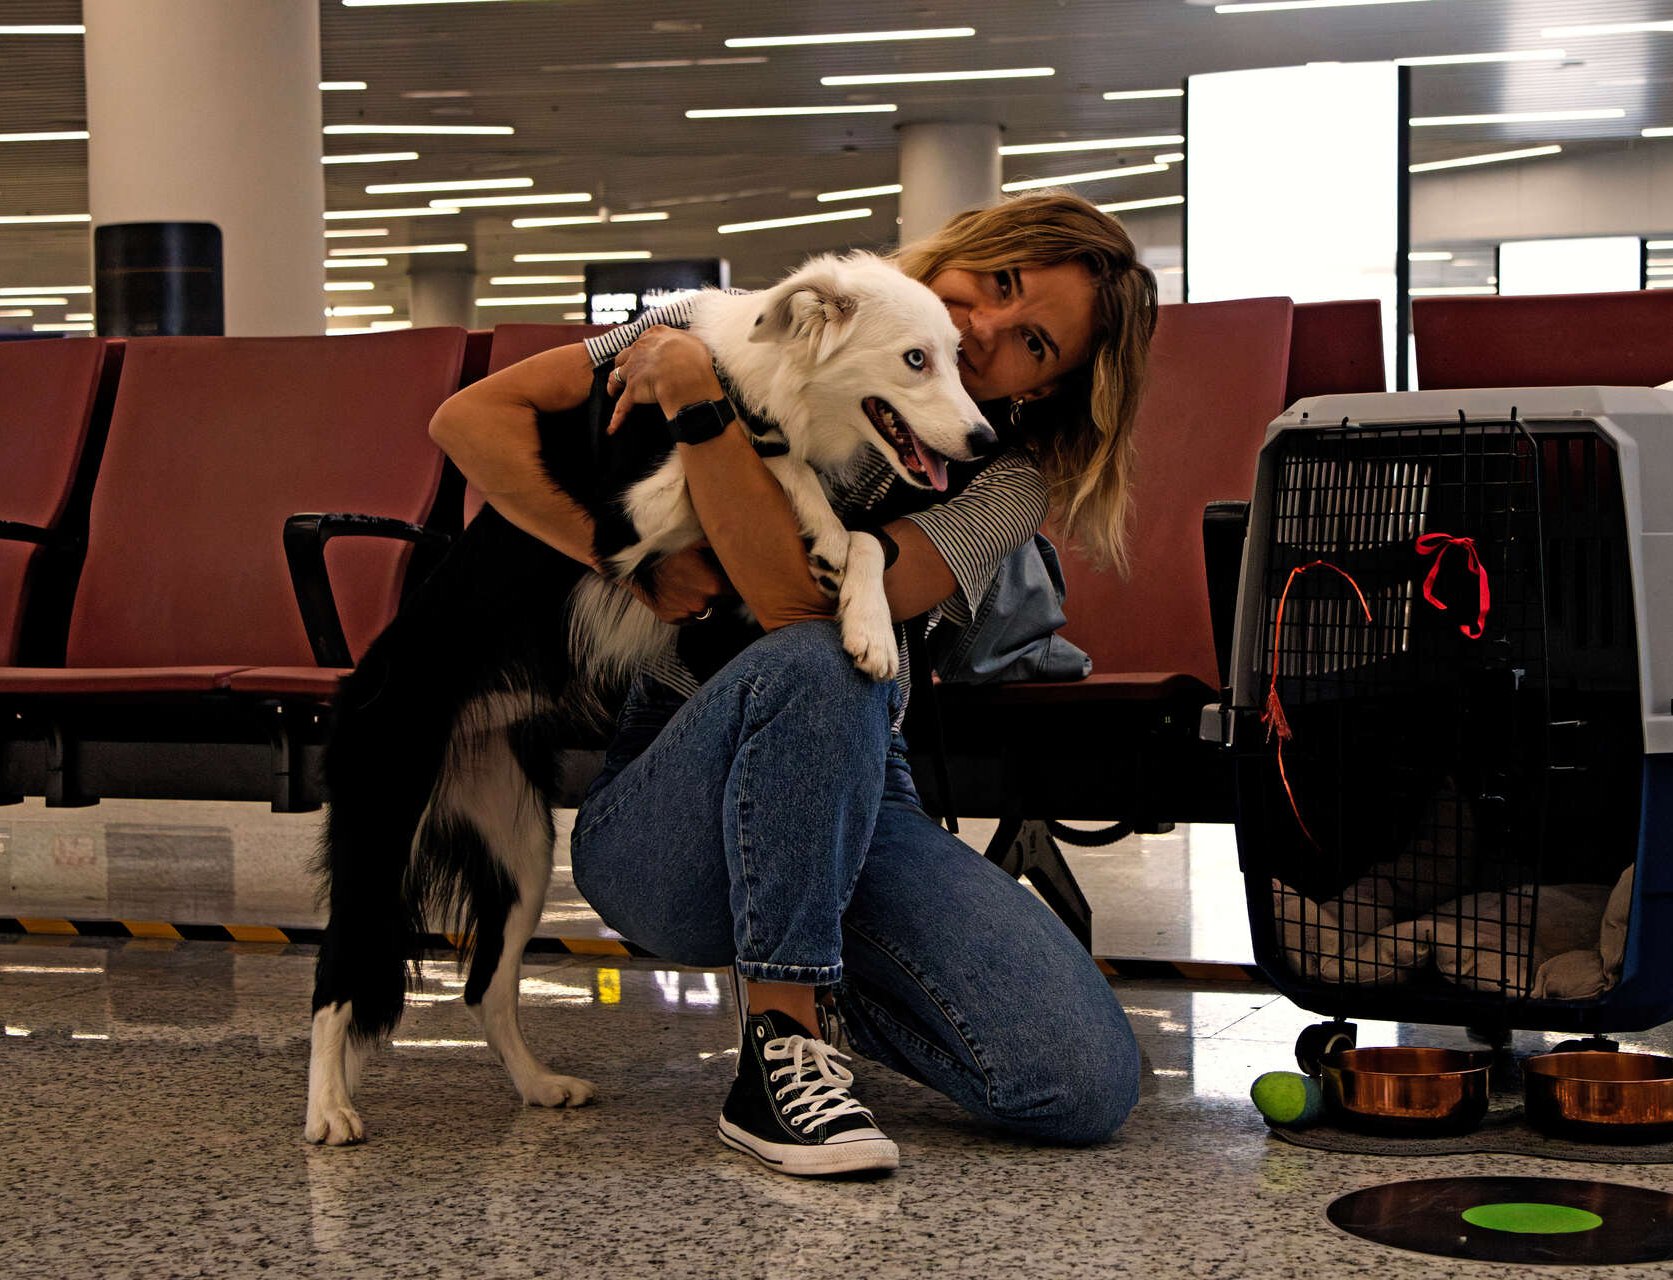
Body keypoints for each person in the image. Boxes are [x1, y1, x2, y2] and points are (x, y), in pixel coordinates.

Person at [429, 191, 1158, 1177]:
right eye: (999, 282)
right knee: (823, 658)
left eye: (1032, 342)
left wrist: (697, 402)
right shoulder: (727, 320)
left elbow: (789, 600)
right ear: (970, 251)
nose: (986, 329)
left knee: (1081, 1082)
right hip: (667, 803)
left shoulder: (1004, 483)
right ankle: (782, 1055)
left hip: (860, 797)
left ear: (1047, 387)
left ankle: (812, 960)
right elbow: (472, 416)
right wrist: (621, 558)